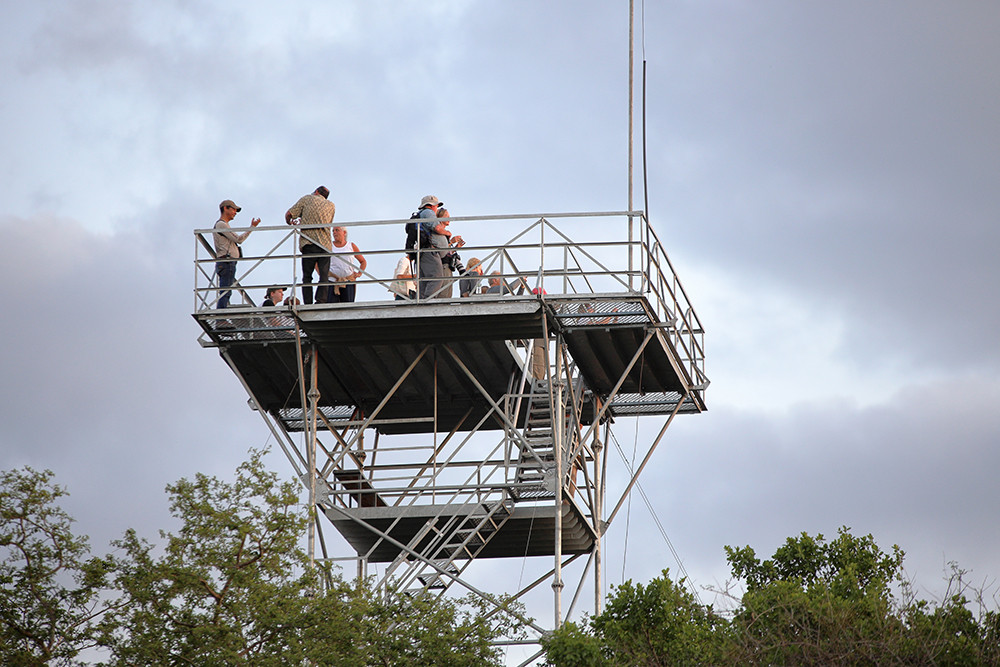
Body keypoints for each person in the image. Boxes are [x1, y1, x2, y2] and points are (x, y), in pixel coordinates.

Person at [285, 186, 335, 304]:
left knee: (307, 276)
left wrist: (290, 222)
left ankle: (308, 302)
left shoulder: (307, 198)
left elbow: (289, 214)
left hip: (309, 242)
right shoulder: (331, 205)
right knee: (324, 275)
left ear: (316, 192)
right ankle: (321, 300)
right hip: (325, 244)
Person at [213, 199, 261, 308]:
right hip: (227, 262)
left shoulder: (223, 225)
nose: (235, 212)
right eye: (233, 209)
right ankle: (221, 315)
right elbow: (239, 239)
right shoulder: (221, 224)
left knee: (226, 291)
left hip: (227, 262)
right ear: (225, 208)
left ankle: (222, 313)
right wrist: (252, 228)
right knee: (225, 292)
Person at [413, 195, 444, 300]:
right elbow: (437, 228)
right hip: (429, 251)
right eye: (436, 206)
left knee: (424, 280)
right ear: (430, 205)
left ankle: (422, 301)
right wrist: (447, 233)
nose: (437, 208)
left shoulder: (421, 214)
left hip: (422, 252)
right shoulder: (428, 212)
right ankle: (428, 301)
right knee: (437, 276)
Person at [328, 226, 366, 303]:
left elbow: (363, 261)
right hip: (332, 281)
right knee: (331, 306)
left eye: (337, 230)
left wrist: (359, 273)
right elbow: (317, 260)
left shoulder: (351, 246)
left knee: (347, 306)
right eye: (333, 231)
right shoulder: (329, 245)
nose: (334, 232)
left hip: (348, 281)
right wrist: (321, 273)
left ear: (344, 232)